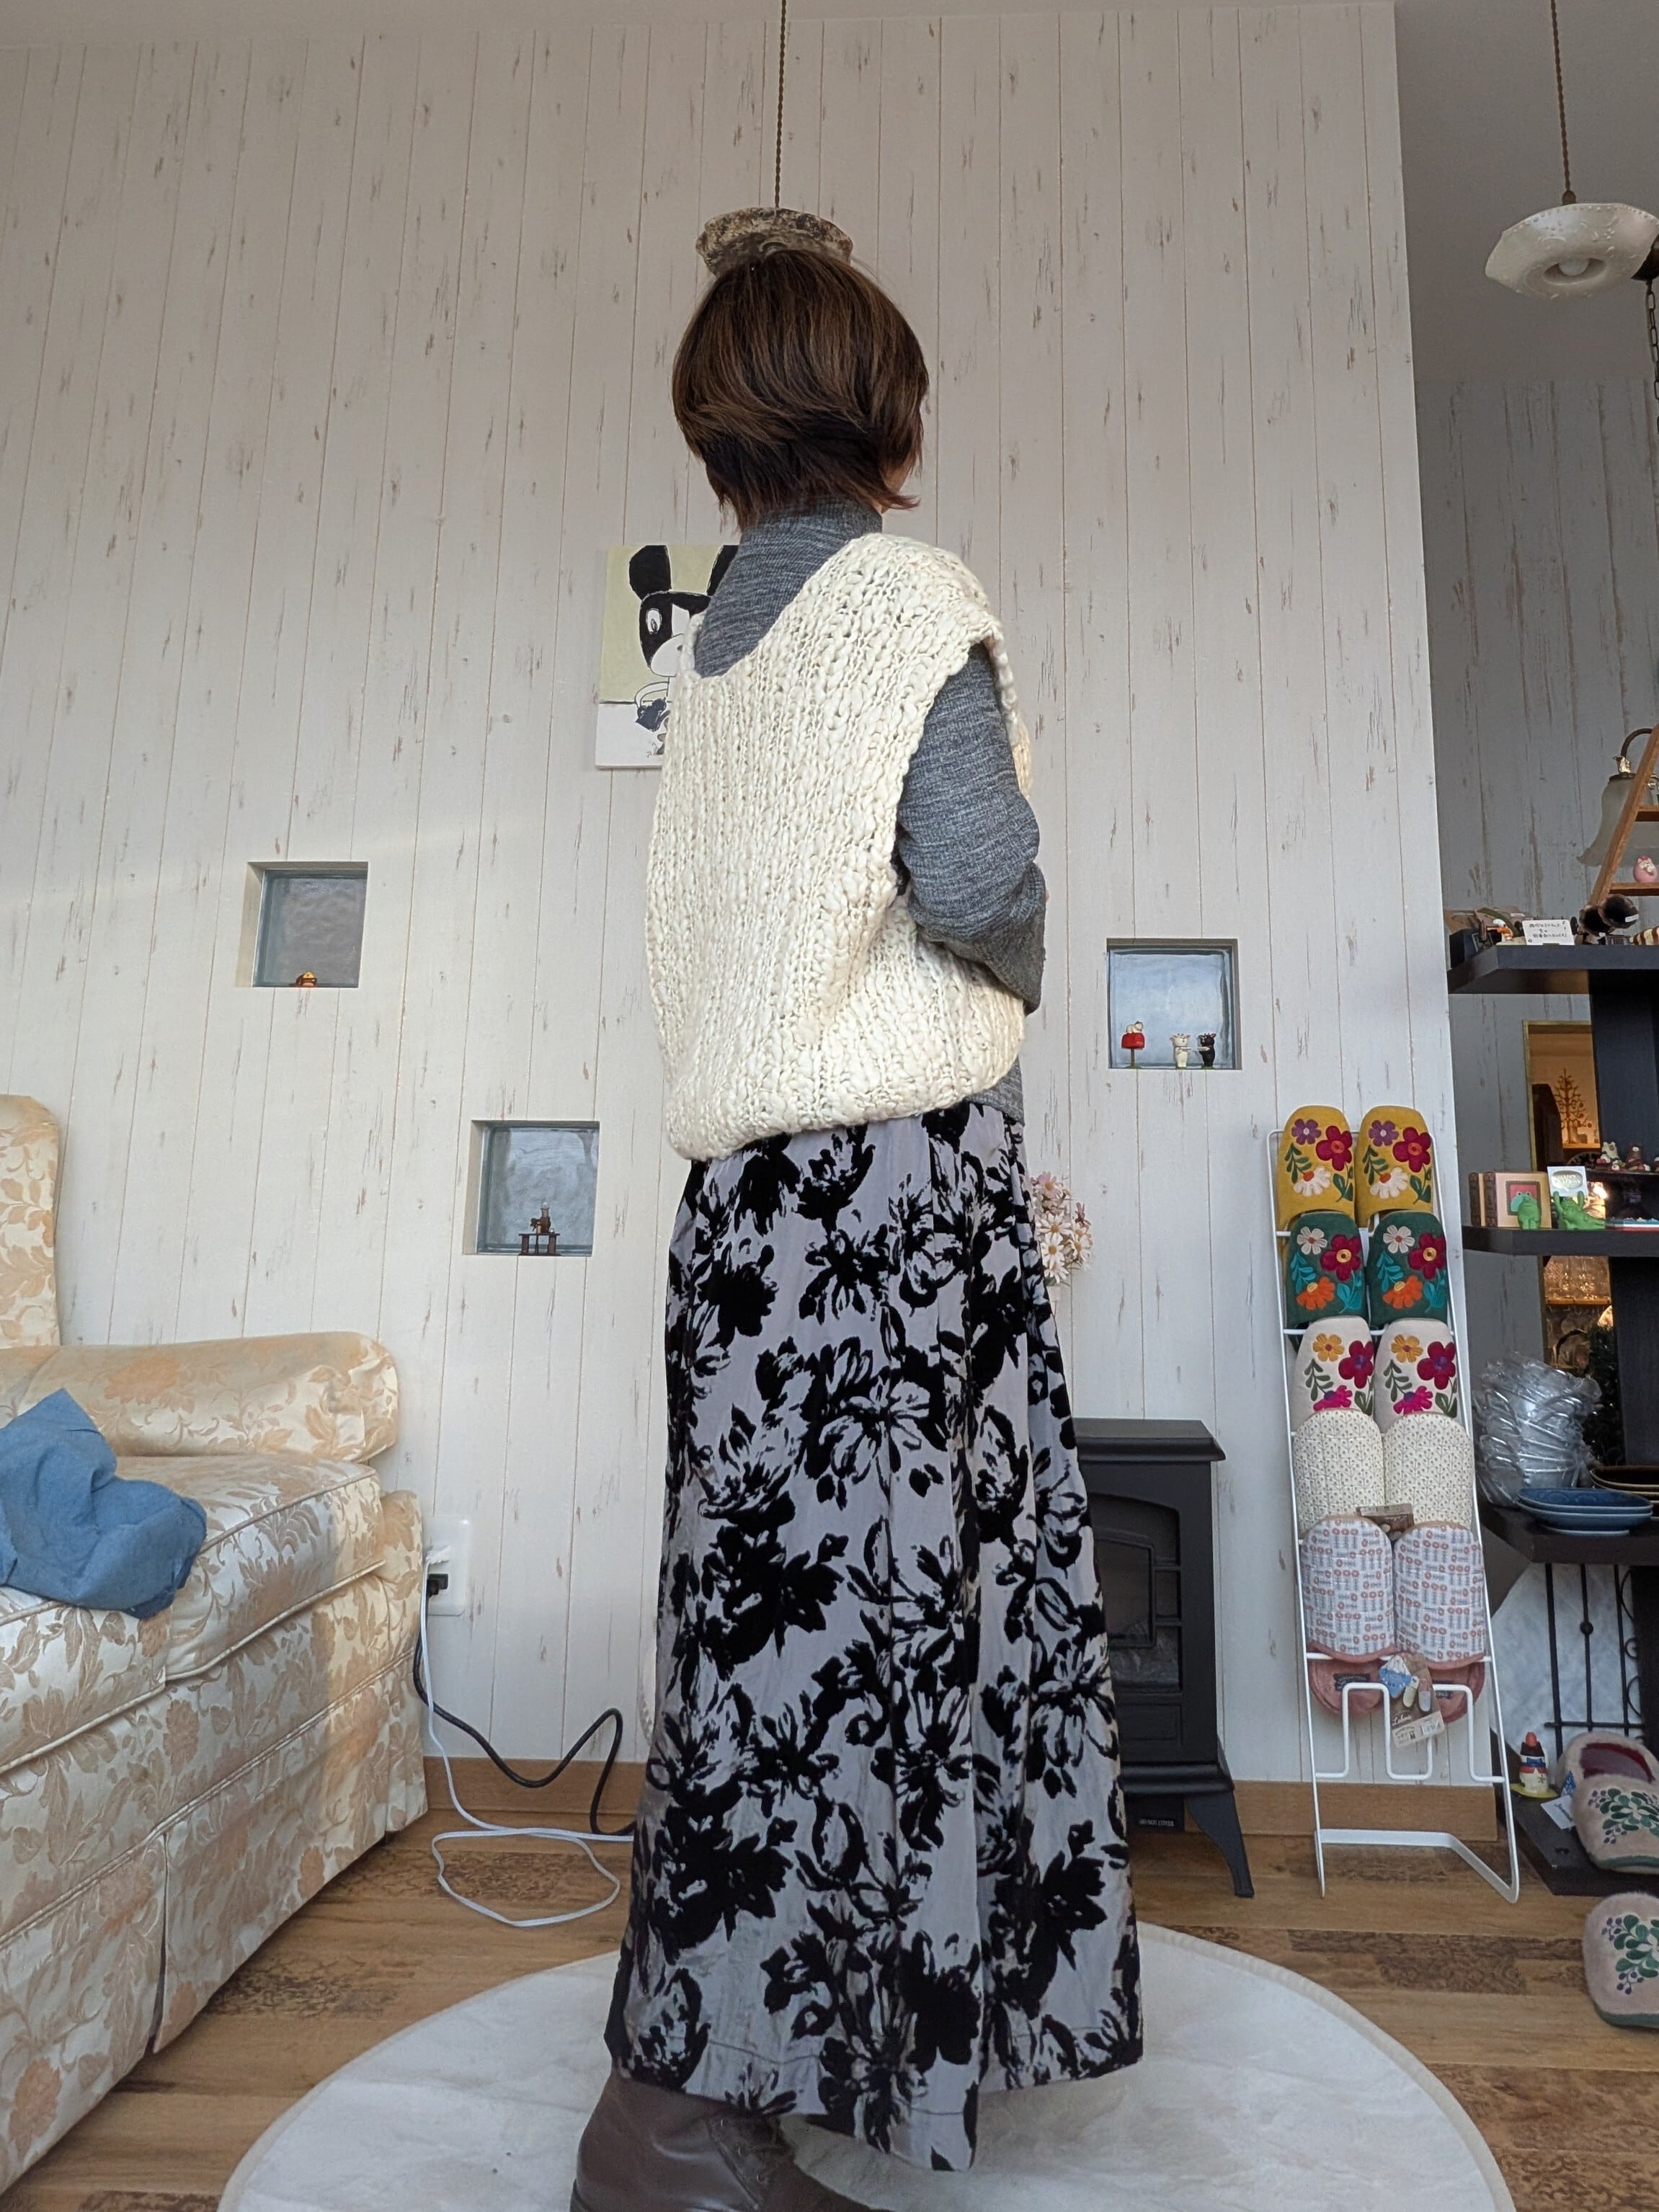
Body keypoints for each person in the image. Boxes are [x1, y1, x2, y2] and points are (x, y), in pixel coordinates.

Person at [571, 229, 1140, 2212]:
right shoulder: (906, 595)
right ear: (881, 412)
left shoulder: (715, 644)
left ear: (723, 430)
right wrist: (1025, 971)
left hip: (740, 1221)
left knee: (763, 1658)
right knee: (895, 1650)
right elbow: (977, 878)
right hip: (888, 1208)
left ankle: (702, 2100)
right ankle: (688, 2135)